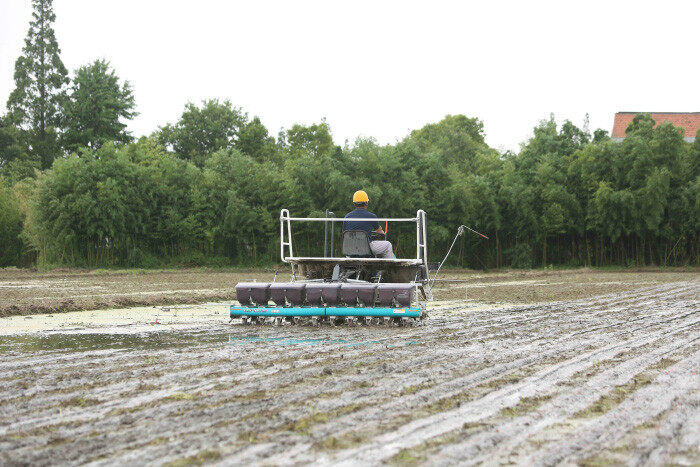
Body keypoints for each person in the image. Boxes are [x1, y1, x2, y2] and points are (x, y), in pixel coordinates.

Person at [342, 190, 396, 259]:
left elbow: (345, 233)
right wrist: (382, 232)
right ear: (366, 203)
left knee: (349, 251)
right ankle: (390, 268)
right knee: (388, 245)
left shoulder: (347, 217)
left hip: (351, 248)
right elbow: (379, 231)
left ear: (354, 204)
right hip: (366, 248)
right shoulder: (371, 216)